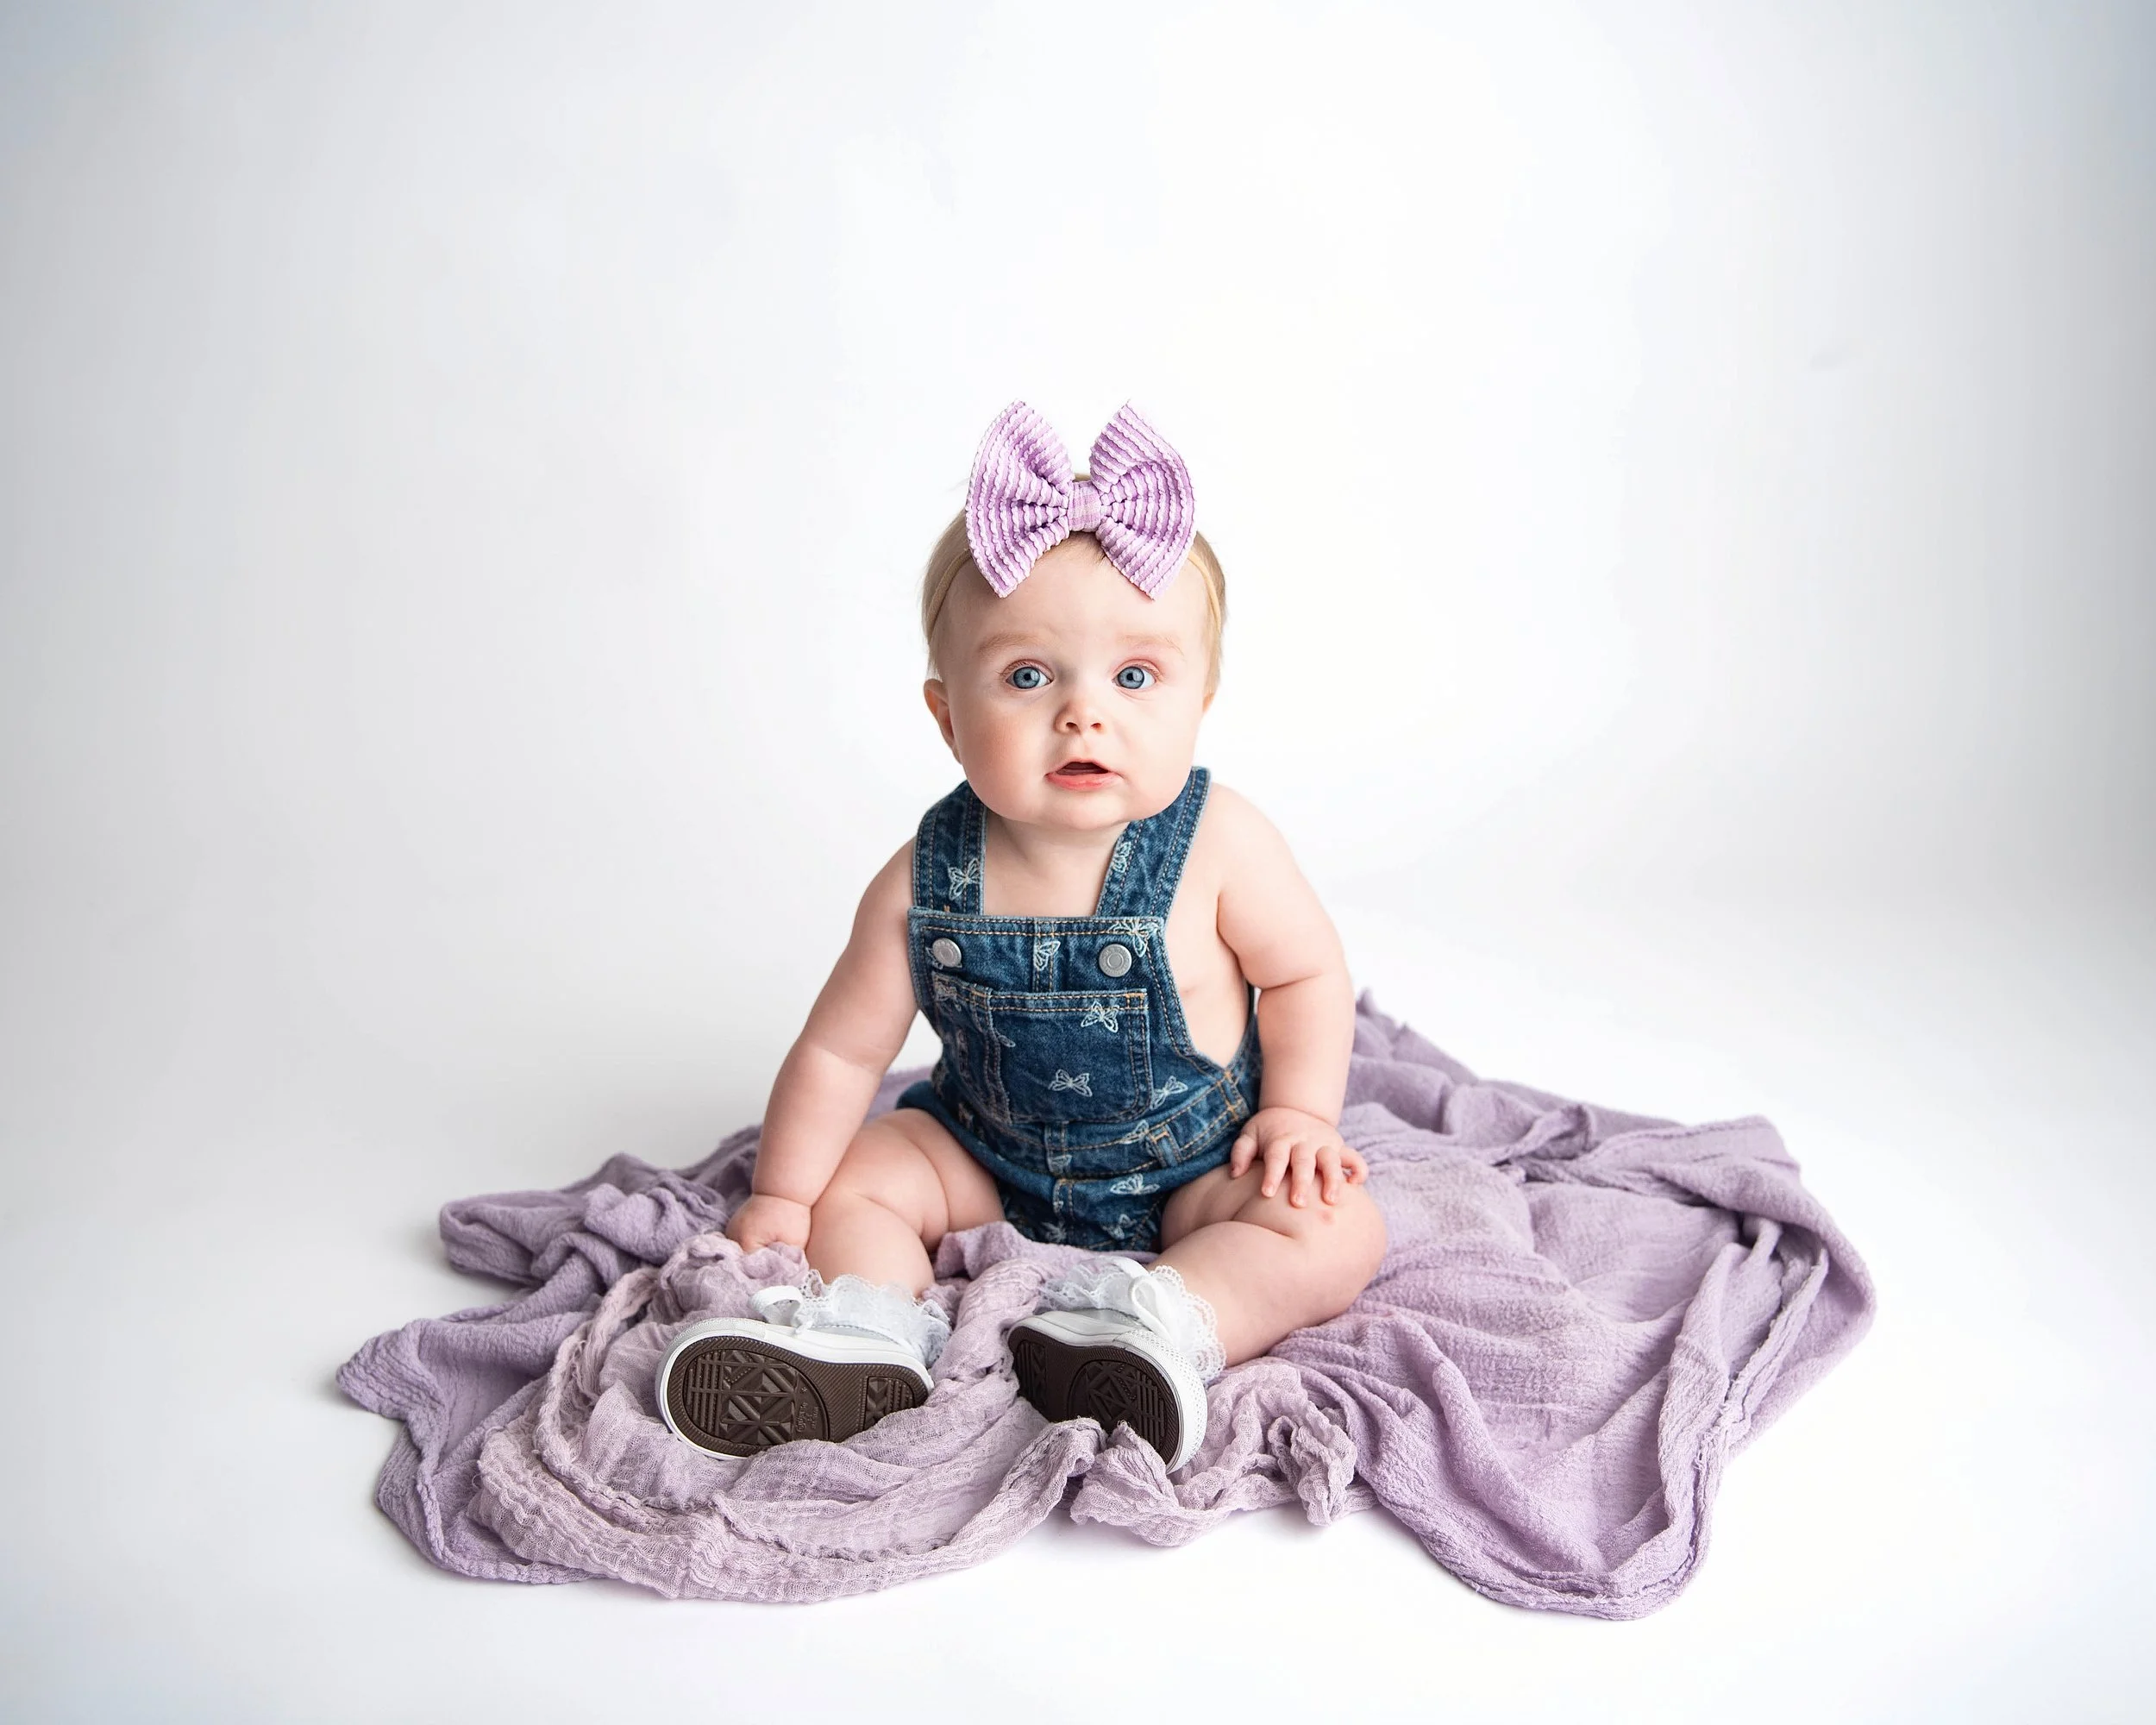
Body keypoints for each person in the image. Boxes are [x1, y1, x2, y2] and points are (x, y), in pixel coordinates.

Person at [656, 401, 1385, 1471]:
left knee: (1335, 1227)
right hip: (986, 1152)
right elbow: (841, 1051)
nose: (1084, 714)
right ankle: (870, 1332)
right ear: (947, 716)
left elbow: (1308, 975)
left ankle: (1162, 1323)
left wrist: (1297, 1113)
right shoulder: (923, 874)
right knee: (862, 1173)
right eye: (1029, 676)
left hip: (1190, 1163)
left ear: (1202, 700)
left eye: (1134, 677)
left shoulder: (1220, 842)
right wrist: (782, 1195)